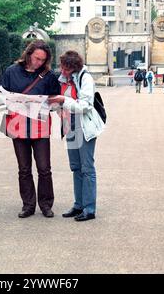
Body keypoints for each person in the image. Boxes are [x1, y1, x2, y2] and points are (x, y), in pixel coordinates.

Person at [0, 40, 60, 219]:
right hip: (17, 126)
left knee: (44, 168)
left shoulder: (48, 75)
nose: (38, 62)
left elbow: (55, 97)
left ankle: (46, 205)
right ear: (28, 53)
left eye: (42, 60)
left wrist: (54, 105)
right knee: (24, 169)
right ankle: (28, 205)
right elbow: (1, 94)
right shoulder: (11, 72)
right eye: (36, 58)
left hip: (40, 127)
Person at [48, 51, 104, 222]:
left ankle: (89, 208)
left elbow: (86, 105)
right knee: (75, 167)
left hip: (84, 126)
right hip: (70, 126)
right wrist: (58, 108)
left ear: (75, 68)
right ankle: (78, 204)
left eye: (66, 69)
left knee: (87, 167)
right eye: (62, 68)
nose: (63, 72)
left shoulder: (85, 78)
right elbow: (59, 102)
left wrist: (63, 101)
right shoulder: (63, 79)